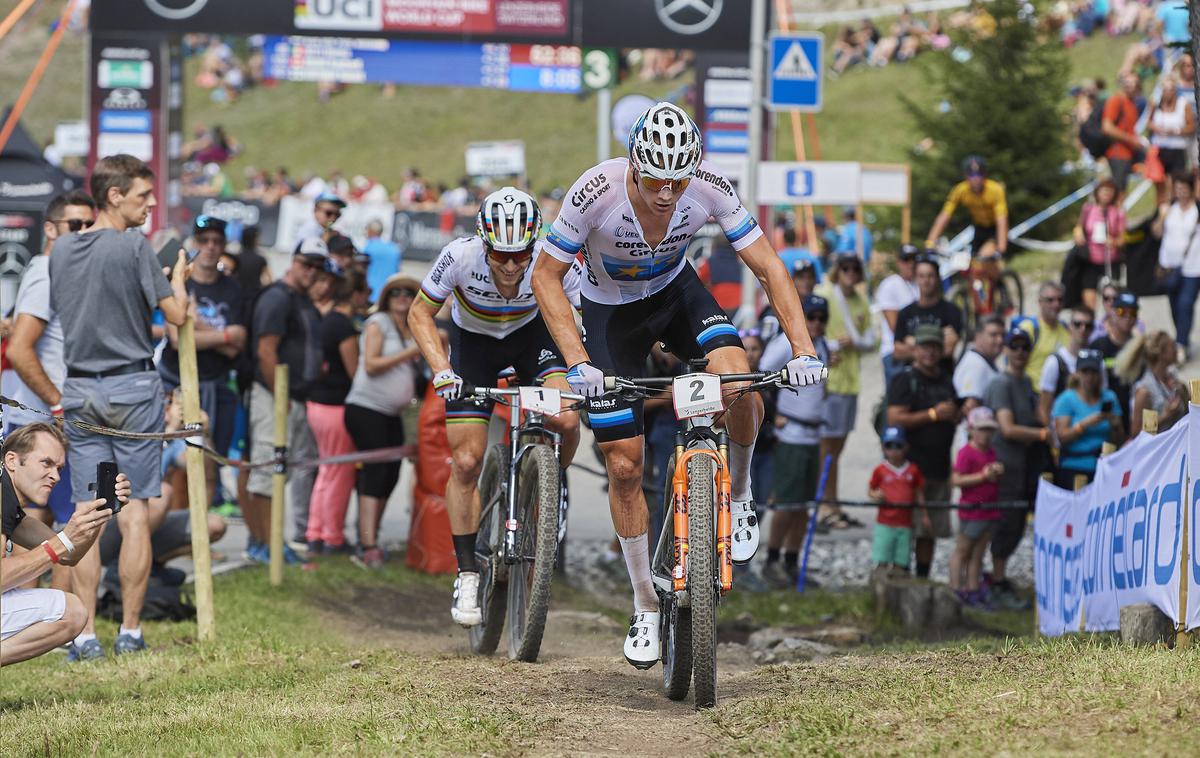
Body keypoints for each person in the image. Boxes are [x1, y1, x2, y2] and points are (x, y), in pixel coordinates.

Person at [531, 102, 826, 668]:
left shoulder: (710, 186)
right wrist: (576, 361)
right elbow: (546, 277)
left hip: (674, 297)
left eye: (678, 180)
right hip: (609, 315)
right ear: (635, 166)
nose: (667, 193)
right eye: (656, 180)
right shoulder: (595, 190)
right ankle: (644, 602)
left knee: (739, 382)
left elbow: (770, 267)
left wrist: (803, 347)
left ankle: (738, 498)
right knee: (624, 465)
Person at [410, 187, 583, 628]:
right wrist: (441, 368)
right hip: (476, 349)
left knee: (565, 416)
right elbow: (419, 314)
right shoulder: (458, 256)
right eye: (500, 255)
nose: (510, 266)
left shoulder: (551, 257)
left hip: (533, 341)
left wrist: (590, 364)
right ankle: (468, 572)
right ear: (484, 244)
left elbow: (594, 310)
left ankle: (550, 484)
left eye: (520, 255)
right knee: (466, 461)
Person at [48, 154, 190, 655]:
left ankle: (84, 635)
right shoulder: (135, 247)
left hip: (80, 388)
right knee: (133, 513)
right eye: (143, 196)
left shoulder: (61, 251)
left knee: (89, 511)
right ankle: (129, 630)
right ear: (114, 196)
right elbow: (177, 315)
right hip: (132, 388)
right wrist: (180, 277)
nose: (152, 204)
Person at [5, 192, 99, 656]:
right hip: (42, 421)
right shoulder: (47, 269)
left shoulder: (60, 270)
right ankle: (77, 635)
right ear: (50, 228)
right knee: (47, 520)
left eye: (89, 226)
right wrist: (59, 407)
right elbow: (21, 350)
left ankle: (75, 631)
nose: (82, 234)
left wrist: (87, 526)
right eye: (73, 225)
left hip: (42, 424)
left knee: (45, 523)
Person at [1, 424, 128, 665]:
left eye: (59, 468)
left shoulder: (11, 505)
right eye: (46, 463)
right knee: (71, 611)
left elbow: (69, 555)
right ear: (12, 461)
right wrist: (64, 540)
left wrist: (96, 517)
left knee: (73, 613)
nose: (56, 476)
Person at [245, 238, 325, 563]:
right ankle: (264, 543)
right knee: (267, 472)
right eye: (306, 264)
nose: (311, 272)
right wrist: (280, 397)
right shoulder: (277, 297)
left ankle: (273, 541)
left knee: (280, 473)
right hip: (273, 396)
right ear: (294, 261)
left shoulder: (300, 298)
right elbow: (266, 350)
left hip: (291, 397)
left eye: (317, 267)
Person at [159, 215, 245, 502]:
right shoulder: (180, 282)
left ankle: (204, 536)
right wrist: (223, 335)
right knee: (176, 464)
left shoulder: (233, 288)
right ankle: (177, 533)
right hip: (176, 384)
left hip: (215, 385)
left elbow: (238, 343)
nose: (210, 247)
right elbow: (176, 337)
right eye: (203, 240)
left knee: (210, 463)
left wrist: (194, 324)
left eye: (216, 241)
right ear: (194, 243)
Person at [344, 274, 423, 569]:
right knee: (374, 475)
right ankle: (367, 544)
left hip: (392, 413)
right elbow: (371, 364)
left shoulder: (410, 327)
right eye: (396, 293)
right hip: (367, 408)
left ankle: (371, 536)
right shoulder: (378, 323)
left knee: (390, 476)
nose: (402, 297)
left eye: (408, 293)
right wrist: (411, 352)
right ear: (387, 298)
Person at [760, 294, 831, 587]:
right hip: (790, 433)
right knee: (786, 503)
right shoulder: (785, 343)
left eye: (820, 319)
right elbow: (763, 372)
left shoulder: (824, 346)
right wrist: (772, 413)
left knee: (803, 504)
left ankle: (792, 561)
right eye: (810, 317)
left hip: (813, 434)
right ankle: (773, 560)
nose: (815, 324)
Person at [886, 324, 961, 579]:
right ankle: (900, 576)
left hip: (939, 465)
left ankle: (922, 578)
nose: (929, 352)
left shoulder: (946, 378)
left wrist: (956, 414)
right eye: (925, 346)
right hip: (912, 465)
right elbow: (894, 417)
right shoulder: (905, 379)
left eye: (934, 347)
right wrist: (932, 415)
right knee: (908, 527)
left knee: (931, 530)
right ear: (916, 349)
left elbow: (951, 410)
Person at [983, 326, 1045, 610]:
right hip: (1004, 464)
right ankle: (995, 582)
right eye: (1014, 346)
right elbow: (1007, 429)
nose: (1020, 352)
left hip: (1022, 465)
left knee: (1017, 523)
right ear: (1005, 349)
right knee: (1005, 524)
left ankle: (999, 578)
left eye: (1024, 347)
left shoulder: (1025, 383)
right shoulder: (1001, 383)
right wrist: (1043, 435)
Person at [814, 253, 876, 531]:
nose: (850, 272)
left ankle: (832, 501)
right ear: (837, 270)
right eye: (845, 267)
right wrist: (827, 349)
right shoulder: (825, 294)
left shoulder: (861, 301)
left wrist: (855, 342)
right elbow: (808, 328)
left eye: (855, 268)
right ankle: (823, 505)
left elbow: (874, 340)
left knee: (837, 449)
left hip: (850, 382)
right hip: (830, 382)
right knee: (826, 447)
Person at [304, 265, 362, 554]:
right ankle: (333, 536)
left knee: (327, 470)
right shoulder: (343, 327)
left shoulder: (326, 321)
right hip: (336, 406)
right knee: (339, 472)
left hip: (317, 404)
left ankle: (316, 531)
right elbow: (355, 372)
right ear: (355, 295)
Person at [949, 407, 1003, 609]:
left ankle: (973, 588)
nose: (986, 434)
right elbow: (956, 479)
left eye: (989, 430)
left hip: (988, 509)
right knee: (963, 550)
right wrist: (983, 476)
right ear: (971, 429)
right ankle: (955, 588)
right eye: (981, 429)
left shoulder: (991, 452)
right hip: (972, 511)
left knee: (978, 553)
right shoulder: (966, 453)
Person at [1052, 348, 1124, 487]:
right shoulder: (1066, 399)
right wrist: (1084, 425)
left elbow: (1120, 440)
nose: (1090, 377)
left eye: (1094, 372)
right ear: (1077, 373)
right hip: (1074, 468)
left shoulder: (1109, 397)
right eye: (1085, 372)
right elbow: (1062, 437)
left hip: (1104, 468)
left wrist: (1115, 425)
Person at [1151, 175, 1200, 362]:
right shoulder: (1169, 209)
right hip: (1169, 265)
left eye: (1184, 188)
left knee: (1185, 303)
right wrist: (1161, 218)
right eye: (1177, 188)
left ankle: (1179, 345)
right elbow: (1156, 234)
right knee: (1173, 305)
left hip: (1194, 266)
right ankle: (1183, 337)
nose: (1181, 192)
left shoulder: (1197, 209)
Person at [868, 426, 925, 577]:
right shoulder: (880, 470)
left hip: (905, 523)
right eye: (889, 446)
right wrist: (876, 495)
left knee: (902, 561)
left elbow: (919, 492)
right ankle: (880, 592)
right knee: (882, 560)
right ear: (883, 448)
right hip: (885, 522)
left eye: (898, 446)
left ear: (905, 447)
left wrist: (924, 515)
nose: (894, 450)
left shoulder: (913, 470)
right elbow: (871, 489)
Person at [925, 156, 1008, 255]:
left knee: (986, 255)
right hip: (979, 228)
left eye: (979, 174)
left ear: (985, 175)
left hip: (994, 229)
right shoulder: (960, 190)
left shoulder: (995, 189)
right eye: (972, 174)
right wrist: (930, 242)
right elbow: (944, 216)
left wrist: (1001, 248)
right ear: (966, 176)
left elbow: (1001, 220)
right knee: (973, 263)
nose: (976, 178)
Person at [892, 255, 963, 367]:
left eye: (930, 276)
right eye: (921, 276)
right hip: (913, 378)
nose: (926, 281)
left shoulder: (952, 311)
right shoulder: (905, 313)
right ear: (915, 279)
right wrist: (938, 343)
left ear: (938, 278)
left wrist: (913, 343)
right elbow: (897, 352)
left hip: (944, 377)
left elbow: (949, 349)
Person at [1071, 178, 1126, 310]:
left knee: (1112, 300)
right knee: (1088, 300)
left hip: (1110, 261)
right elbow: (1079, 226)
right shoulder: (1088, 208)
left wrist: (1114, 241)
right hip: (1090, 259)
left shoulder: (1118, 212)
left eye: (1109, 191)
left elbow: (1123, 238)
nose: (1106, 194)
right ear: (1097, 192)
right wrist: (1078, 234)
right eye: (1103, 191)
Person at [1039, 304, 1097, 426]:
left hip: (1093, 433)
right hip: (1062, 436)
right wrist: (1051, 441)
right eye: (1077, 324)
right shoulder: (1054, 362)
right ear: (1070, 326)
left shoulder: (1098, 361)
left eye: (1088, 325)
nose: (1083, 329)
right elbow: (1044, 409)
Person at [1123, 331, 1189, 436]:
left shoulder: (1173, 380)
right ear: (1161, 353)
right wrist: (1165, 416)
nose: (1176, 350)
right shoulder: (1145, 391)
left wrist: (1183, 391)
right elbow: (1136, 433)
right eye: (1172, 346)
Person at [873, 243, 920, 386]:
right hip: (895, 352)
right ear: (899, 262)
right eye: (906, 260)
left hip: (916, 350)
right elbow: (895, 326)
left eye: (914, 260)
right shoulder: (890, 284)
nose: (911, 264)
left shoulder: (919, 284)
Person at [1089, 291, 1139, 417]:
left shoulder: (1140, 348)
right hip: (1105, 414)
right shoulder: (1097, 346)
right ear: (1112, 313)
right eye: (1122, 312)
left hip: (1134, 413)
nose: (1128, 317)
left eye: (1132, 312)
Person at [1147, 77, 1195, 203]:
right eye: (1165, 89)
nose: (1168, 92)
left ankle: (1176, 206)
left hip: (1177, 149)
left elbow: (1191, 126)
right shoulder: (1155, 104)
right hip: (1159, 149)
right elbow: (1148, 122)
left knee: (1177, 183)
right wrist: (1156, 128)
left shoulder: (1183, 104)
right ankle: (1161, 210)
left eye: (1171, 89)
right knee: (1159, 184)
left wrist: (1175, 131)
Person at [1101, 73, 1144, 194]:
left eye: (1134, 83)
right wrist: (1131, 140)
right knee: (1117, 193)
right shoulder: (1116, 100)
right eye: (1128, 83)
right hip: (1117, 153)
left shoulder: (1132, 103)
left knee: (1121, 191)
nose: (1131, 86)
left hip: (1128, 154)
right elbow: (1107, 127)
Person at [952, 314, 1003, 413]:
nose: (1000, 340)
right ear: (978, 337)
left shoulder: (984, 361)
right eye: (993, 335)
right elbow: (970, 407)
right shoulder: (975, 365)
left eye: (1002, 335)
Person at [1026, 281, 1069, 383]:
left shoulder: (1067, 329)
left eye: (1060, 300)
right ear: (1040, 302)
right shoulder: (1029, 328)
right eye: (1050, 300)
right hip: (1033, 393)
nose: (1056, 304)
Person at [362, 219, 402, 299]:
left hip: (370, 295)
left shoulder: (367, 248)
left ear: (370, 231)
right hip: (388, 296)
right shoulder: (394, 248)